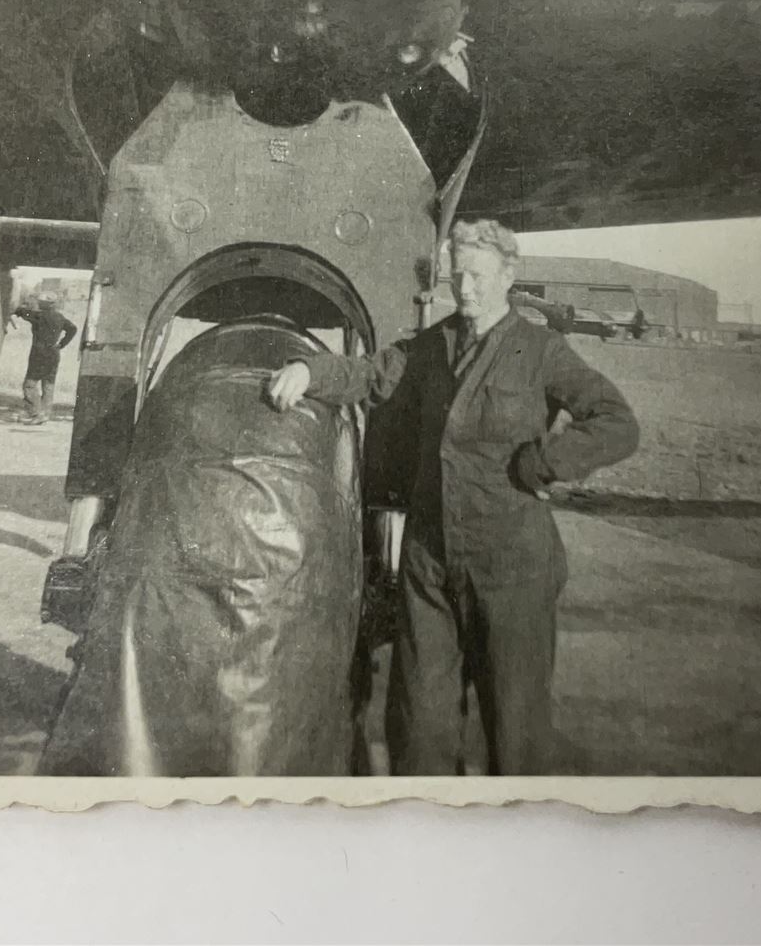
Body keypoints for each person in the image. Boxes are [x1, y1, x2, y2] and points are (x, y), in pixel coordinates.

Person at [265, 219, 639, 776]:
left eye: (479, 276)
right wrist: (307, 369)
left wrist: (546, 462)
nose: (466, 288)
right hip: (430, 563)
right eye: (457, 275)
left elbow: (616, 423)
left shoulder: (541, 351)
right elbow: (367, 375)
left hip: (512, 565)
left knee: (516, 734)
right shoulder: (428, 349)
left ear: (509, 277)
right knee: (419, 727)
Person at [13, 292, 77, 426]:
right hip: (54, 353)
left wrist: (16, 307)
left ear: (43, 304)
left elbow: (21, 311)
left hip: (39, 353)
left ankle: (37, 413)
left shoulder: (38, 316)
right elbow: (73, 328)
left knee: (29, 384)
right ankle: (45, 414)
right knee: (48, 384)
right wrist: (62, 344)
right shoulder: (60, 317)